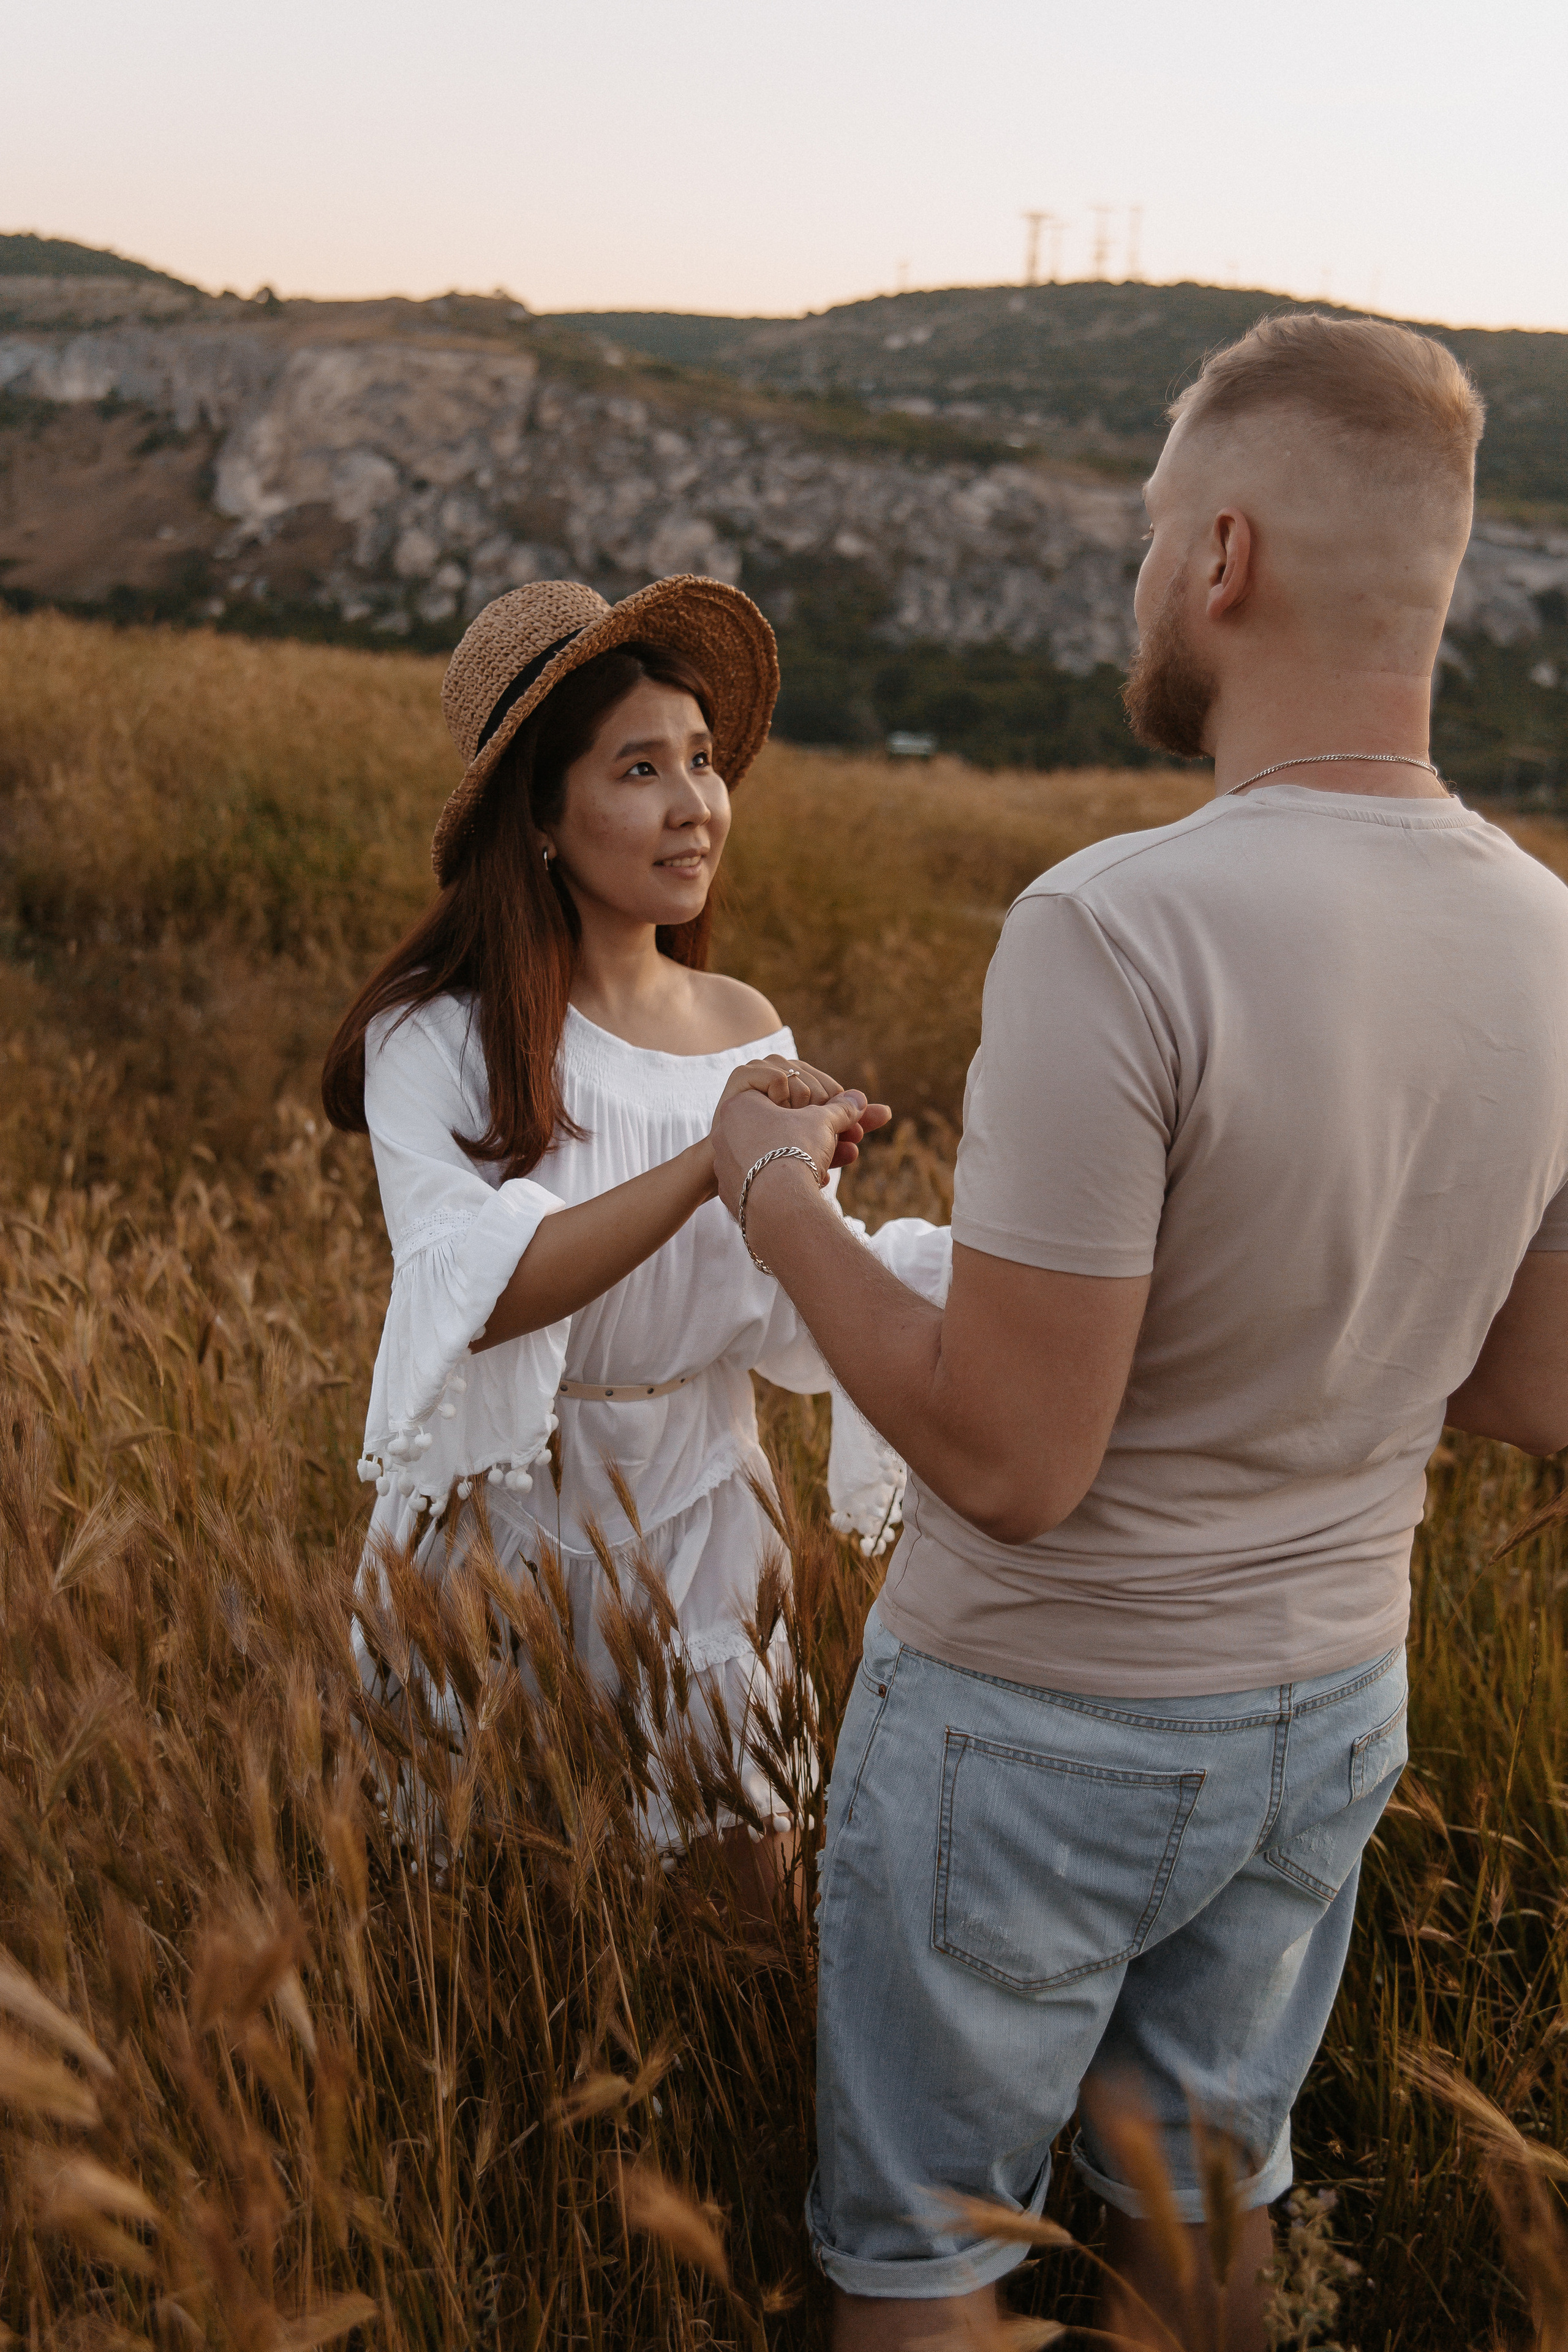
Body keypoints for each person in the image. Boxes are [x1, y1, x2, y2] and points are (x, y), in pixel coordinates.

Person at [709, 314, 1568, 2349]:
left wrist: (773, 1201)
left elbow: (1012, 1462)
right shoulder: (1551, 939)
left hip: (1042, 1727)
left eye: (1154, 525)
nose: (1142, 572)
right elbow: (1537, 1390)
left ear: (1227, 558)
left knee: (928, 2272)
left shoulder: (1122, 922)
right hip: (1334, 1705)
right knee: (1204, 2228)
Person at [321, 575, 930, 1888]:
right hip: (505, 1533)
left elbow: (777, 1310)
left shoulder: (740, 1022)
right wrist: (716, 1162)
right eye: (638, 767)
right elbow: (474, 1291)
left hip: (707, 1510)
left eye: (702, 762)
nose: (693, 804)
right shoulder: (434, 1038)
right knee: (512, 1933)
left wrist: (800, 1190)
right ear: (538, 815)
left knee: (742, 1918)